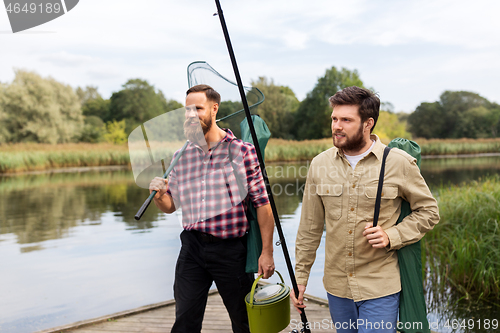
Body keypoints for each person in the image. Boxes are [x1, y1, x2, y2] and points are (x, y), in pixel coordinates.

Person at [291, 86, 439, 333]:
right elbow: (309, 228)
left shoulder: (398, 162)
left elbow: (429, 211)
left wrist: (392, 236)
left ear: (368, 123)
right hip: (337, 288)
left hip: (380, 286)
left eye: (346, 120)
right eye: (334, 119)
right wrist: (301, 278)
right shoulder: (320, 164)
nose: (337, 126)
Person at [149, 84, 274, 333]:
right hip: (192, 249)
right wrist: (159, 196)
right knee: (184, 320)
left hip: (231, 251)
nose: (190, 115)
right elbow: (171, 206)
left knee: (244, 321)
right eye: (187, 110)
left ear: (214, 109)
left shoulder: (243, 152)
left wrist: (266, 252)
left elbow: (263, 205)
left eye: (198, 108)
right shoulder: (180, 156)